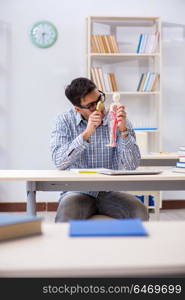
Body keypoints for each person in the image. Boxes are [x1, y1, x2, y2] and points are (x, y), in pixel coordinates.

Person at [50, 77, 149, 222]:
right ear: (77, 109)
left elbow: (132, 165)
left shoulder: (119, 120)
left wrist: (123, 131)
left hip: (110, 191)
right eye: (91, 105)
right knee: (66, 215)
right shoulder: (63, 121)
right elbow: (59, 161)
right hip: (78, 191)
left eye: (99, 99)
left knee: (139, 211)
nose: (99, 107)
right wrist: (86, 133)